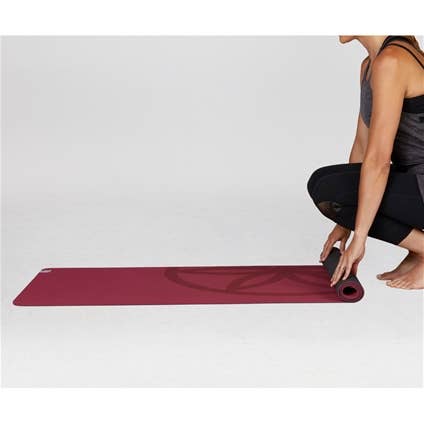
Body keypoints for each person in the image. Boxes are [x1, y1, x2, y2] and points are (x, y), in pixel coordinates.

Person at [307, 35, 424, 290]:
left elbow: (379, 160)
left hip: (420, 183)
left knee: (328, 190)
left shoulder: (392, 61)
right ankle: (419, 251)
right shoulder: (370, 65)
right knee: (321, 182)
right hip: (413, 181)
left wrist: (359, 238)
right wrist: (344, 220)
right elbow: (362, 146)